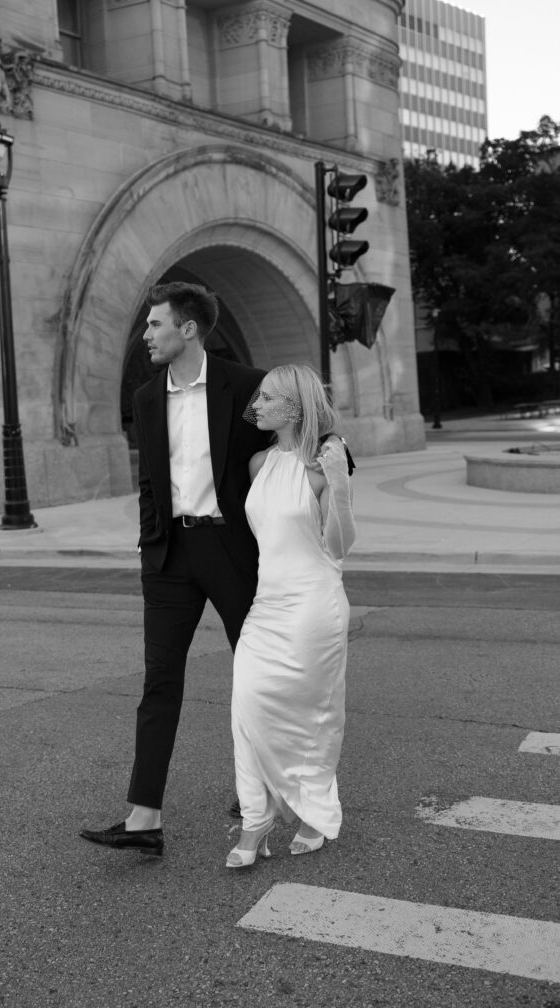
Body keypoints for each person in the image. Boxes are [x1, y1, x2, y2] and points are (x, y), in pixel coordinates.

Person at [80, 281, 270, 856]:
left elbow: (300, 437)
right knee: (159, 682)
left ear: (188, 329)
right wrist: (149, 543)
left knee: (258, 677)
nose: (146, 334)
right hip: (169, 557)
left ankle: (259, 792)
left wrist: (327, 462)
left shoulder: (247, 385)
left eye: (155, 324)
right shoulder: (144, 397)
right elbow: (149, 484)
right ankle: (144, 819)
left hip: (233, 552)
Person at [226, 364, 356, 868]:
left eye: (267, 398)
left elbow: (339, 547)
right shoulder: (260, 463)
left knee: (311, 719)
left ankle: (312, 813)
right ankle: (256, 816)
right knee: (248, 709)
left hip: (313, 607)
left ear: (295, 407)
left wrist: (340, 487)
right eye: (257, 398)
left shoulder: (325, 465)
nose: (256, 406)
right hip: (266, 607)